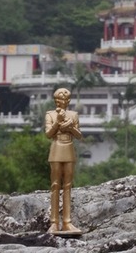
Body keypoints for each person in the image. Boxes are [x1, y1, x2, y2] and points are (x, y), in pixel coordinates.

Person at [45, 88, 83, 234]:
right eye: (58, 100)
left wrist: (70, 127)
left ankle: (67, 222)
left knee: (67, 185)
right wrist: (58, 122)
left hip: (69, 148)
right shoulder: (50, 114)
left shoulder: (73, 115)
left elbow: (79, 135)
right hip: (56, 148)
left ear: (68, 101)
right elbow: (49, 134)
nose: (60, 102)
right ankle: (54, 222)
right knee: (55, 185)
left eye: (63, 100)